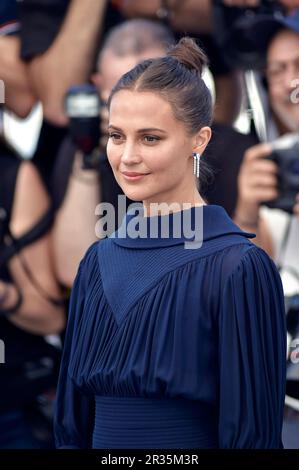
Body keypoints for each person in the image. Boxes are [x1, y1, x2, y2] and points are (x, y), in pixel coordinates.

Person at [54, 37, 286, 449]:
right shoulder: (97, 261)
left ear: (199, 140)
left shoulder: (239, 266)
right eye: (116, 135)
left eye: (150, 138)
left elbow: (252, 434)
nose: (126, 157)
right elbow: (72, 424)